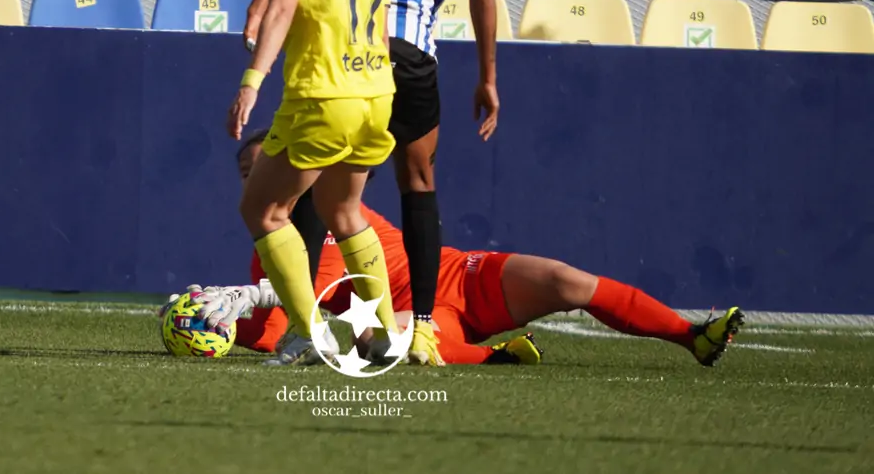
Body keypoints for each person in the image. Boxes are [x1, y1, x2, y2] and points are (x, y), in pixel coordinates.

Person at [244, 0, 500, 366]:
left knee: (282, 204)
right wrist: (487, 77)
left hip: (333, 75)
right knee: (403, 189)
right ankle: (414, 329)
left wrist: (256, 48)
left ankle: (305, 327)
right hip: (392, 73)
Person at [188, 130, 746, 367]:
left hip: (460, 274)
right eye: (245, 172)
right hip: (420, 315)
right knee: (386, 341)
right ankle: (498, 358)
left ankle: (691, 336)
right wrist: (218, 328)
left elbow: (287, 293)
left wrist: (242, 299)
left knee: (567, 281)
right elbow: (289, 320)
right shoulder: (273, 249)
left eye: (260, 165)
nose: (254, 178)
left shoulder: (332, 207)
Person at [226, 0, 402, 367]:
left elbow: (281, 11)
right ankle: (381, 336)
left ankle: (309, 333)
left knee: (264, 208)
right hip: (376, 91)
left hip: (324, 95)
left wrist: (251, 81)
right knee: (343, 209)